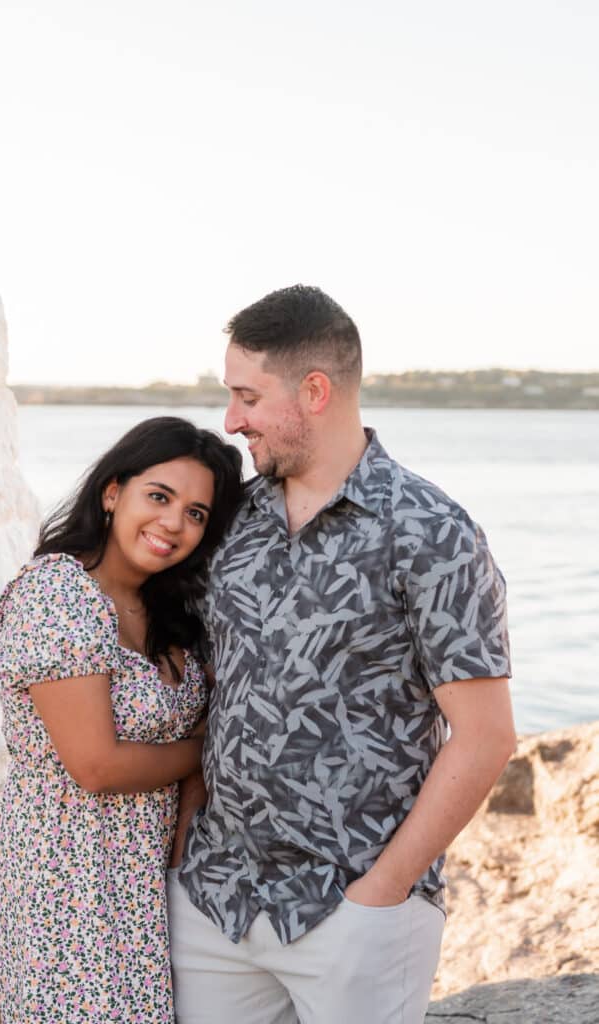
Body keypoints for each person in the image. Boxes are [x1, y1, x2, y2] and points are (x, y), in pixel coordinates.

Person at [169, 286, 516, 1024]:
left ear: (314, 391)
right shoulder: (232, 522)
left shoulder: (432, 533)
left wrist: (381, 892)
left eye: (247, 396)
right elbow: (210, 689)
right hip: (216, 899)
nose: (231, 420)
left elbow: (484, 737)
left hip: (353, 907)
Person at [0, 416, 242, 1024]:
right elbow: (96, 765)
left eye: (197, 514)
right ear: (112, 492)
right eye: (159, 497)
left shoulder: (174, 609)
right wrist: (210, 748)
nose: (173, 524)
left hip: (147, 883)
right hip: (64, 885)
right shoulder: (57, 594)